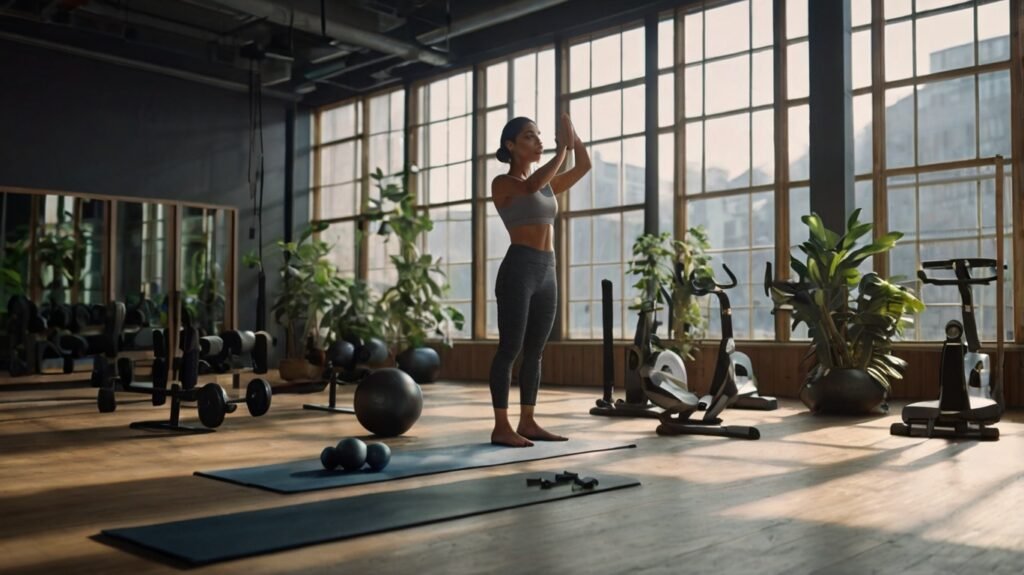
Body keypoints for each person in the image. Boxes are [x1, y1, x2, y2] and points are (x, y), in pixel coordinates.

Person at [489, 112, 592, 447]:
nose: (538, 141)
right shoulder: (504, 184)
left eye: (539, 135)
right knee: (510, 349)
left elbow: (584, 167)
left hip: (547, 270)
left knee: (535, 351)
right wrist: (562, 150)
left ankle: (528, 421)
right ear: (511, 145)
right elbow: (530, 185)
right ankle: (501, 426)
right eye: (530, 136)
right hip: (518, 268)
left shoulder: (547, 184)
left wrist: (573, 139)